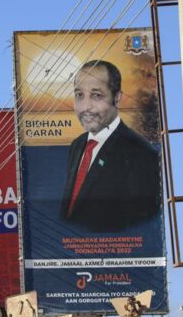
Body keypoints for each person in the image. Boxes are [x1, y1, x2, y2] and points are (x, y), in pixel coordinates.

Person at [59, 60, 161, 232]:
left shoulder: (140, 153)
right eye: (79, 95)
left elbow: (143, 223)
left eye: (96, 95)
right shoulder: (77, 145)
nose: (85, 107)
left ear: (117, 98)